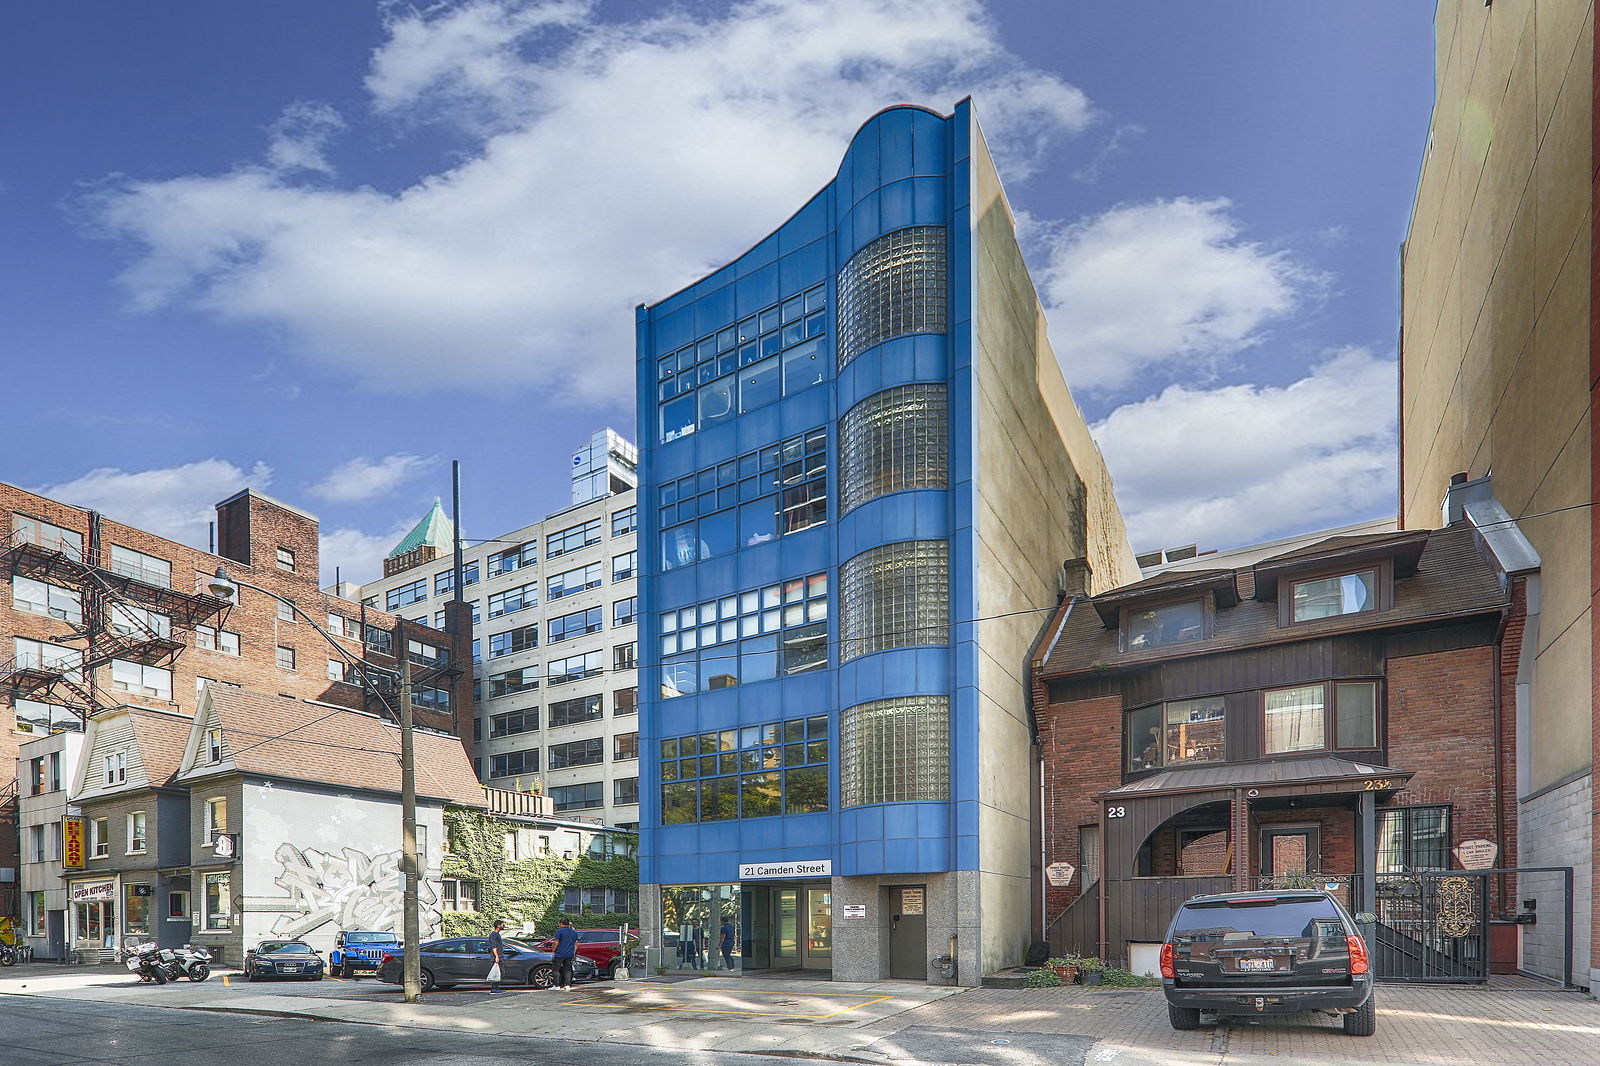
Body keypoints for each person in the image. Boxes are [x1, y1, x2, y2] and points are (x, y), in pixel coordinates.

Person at [551, 917, 580, 991]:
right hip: (570, 954)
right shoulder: (573, 932)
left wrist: (553, 950)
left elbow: (556, 942)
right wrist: (573, 953)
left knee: (556, 969)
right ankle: (567, 984)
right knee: (568, 969)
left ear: (561, 923)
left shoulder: (559, 931)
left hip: (560, 953)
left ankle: (556, 985)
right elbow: (576, 944)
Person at [488, 919, 507, 994]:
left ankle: (496, 988)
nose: (504, 926)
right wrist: (496, 956)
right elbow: (494, 946)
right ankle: (494, 988)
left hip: (499, 956)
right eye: (502, 924)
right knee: (498, 972)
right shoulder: (493, 935)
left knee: (500, 972)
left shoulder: (497, 934)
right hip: (497, 957)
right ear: (498, 926)